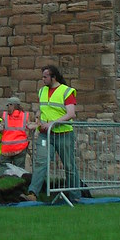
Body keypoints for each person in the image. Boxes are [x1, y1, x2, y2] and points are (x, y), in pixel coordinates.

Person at [24, 64, 79, 200]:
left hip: (64, 134)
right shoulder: (42, 91)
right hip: (45, 134)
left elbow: (71, 114)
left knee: (69, 165)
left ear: (53, 77)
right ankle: (33, 193)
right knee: (40, 162)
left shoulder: (67, 91)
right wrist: (36, 123)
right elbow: (43, 111)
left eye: (45, 77)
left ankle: (75, 196)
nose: (43, 79)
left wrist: (53, 124)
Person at [0, 95, 31, 174]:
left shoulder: (5, 116)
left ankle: (3, 185)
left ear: (13, 105)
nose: (8, 107)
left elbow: (1, 129)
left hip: (7, 148)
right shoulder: (25, 116)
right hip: (20, 147)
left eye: (9, 105)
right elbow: (28, 130)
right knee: (19, 170)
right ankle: (18, 185)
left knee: (3, 169)